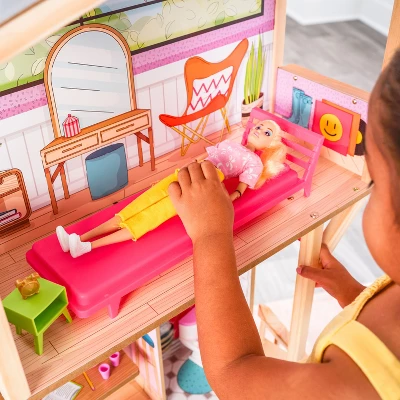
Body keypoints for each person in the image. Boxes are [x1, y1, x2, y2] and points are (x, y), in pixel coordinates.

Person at [166, 51, 400, 399]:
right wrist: (356, 297)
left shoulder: (355, 387)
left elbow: (232, 372)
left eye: (375, 183)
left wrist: (210, 233)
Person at [56, 120, 286, 258]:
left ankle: (88, 246)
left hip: (204, 183)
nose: (260, 130)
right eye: (259, 126)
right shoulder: (231, 143)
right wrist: (188, 165)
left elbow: (239, 190)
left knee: (149, 217)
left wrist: (223, 201)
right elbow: (204, 157)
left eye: (267, 132)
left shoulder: (254, 163)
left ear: (271, 144)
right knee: (140, 204)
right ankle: (78, 239)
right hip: (188, 171)